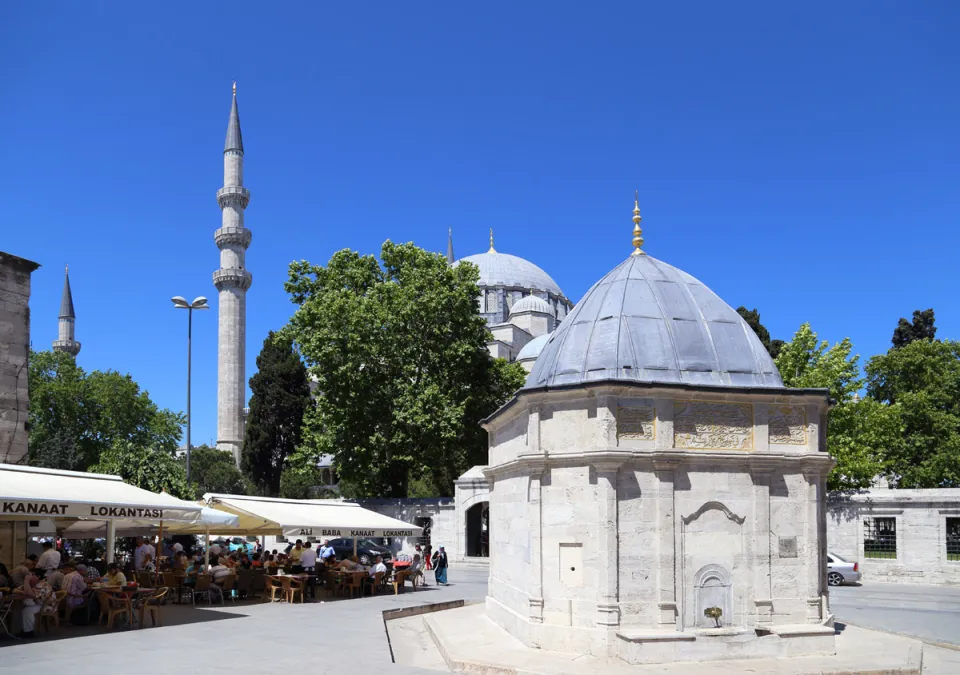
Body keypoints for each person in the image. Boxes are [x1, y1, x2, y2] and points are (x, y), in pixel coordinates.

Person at [19, 569, 55, 638]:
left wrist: (26, 581)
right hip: (39, 603)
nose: (28, 576)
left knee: (27, 610)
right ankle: (26, 630)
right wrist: (23, 590)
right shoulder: (32, 583)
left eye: (31, 575)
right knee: (23, 607)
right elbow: (15, 590)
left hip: (47, 605)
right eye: (28, 575)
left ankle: (28, 632)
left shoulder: (42, 584)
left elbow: (30, 594)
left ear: (38, 576)